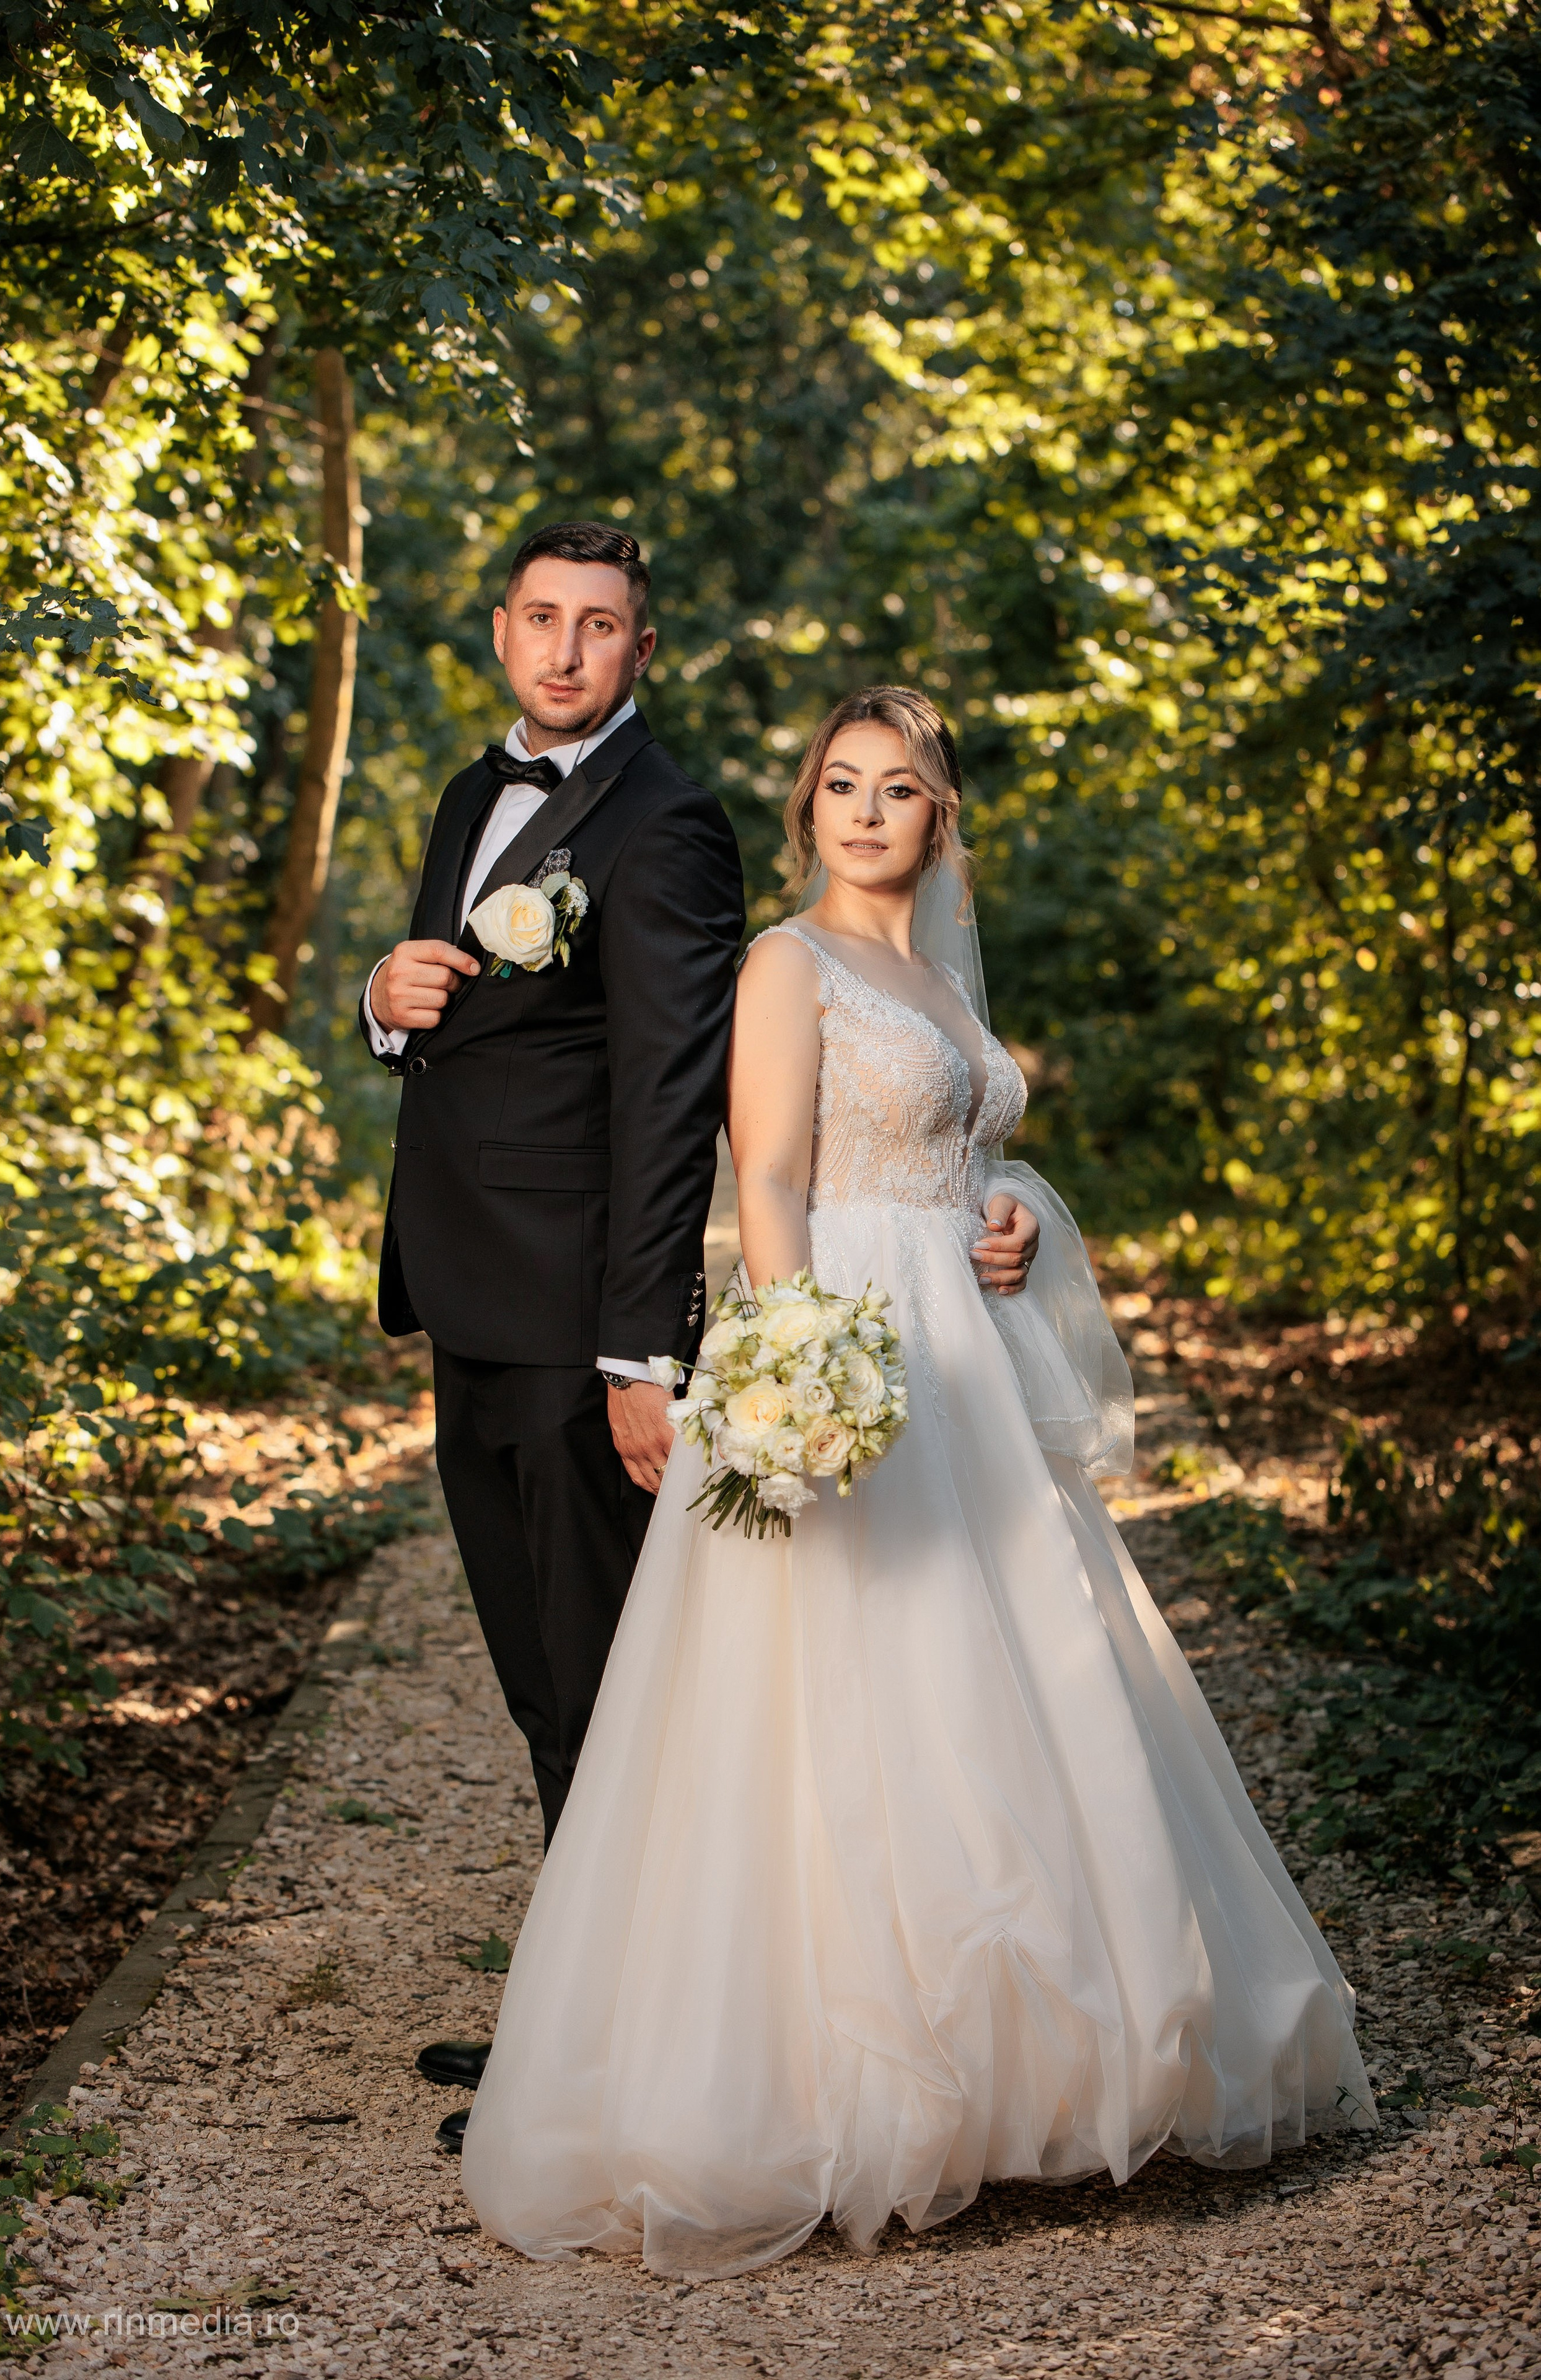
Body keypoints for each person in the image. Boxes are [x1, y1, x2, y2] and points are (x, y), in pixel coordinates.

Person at [459, 684, 1376, 2272]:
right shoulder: (785, 963)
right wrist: (798, 1365)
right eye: (838, 785)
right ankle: (831, 2081)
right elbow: (765, 1172)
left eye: (897, 789)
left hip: (970, 1358)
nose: (864, 811)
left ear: (936, 818)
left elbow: (970, 1159)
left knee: (1030, 1673)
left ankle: (1052, 2066)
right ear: (806, 807)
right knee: (841, 1694)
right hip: (851, 1346)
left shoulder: (938, 978)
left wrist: (1009, 1217)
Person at [362, 528, 1048, 2140]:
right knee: (542, 1679)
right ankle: (570, 2006)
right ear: (499, 630)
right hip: (464, 1289)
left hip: (574, 1313)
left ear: (642, 651)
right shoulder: (474, 799)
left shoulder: (665, 825)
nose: (564, 649)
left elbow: (680, 1099)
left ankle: (614, 2067)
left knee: (609, 1685)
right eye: (540, 618)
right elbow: (460, 1022)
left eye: (599, 626)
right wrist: (383, 1009)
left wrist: (641, 1352)